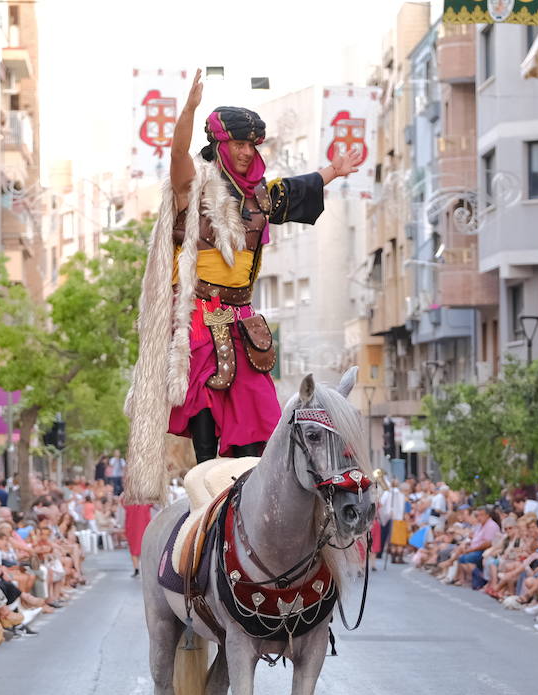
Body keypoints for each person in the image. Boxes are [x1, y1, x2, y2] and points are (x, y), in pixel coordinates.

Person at [124, 70, 362, 502]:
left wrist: (333, 171)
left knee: (258, 410)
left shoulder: (260, 197)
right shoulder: (191, 189)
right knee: (200, 398)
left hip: (243, 317)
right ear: (219, 145)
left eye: (252, 144)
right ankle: (205, 487)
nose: (247, 152)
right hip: (195, 310)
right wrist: (189, 111)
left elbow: (295, 189)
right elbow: (178, 152)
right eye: (238, 142)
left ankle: (253, 493)